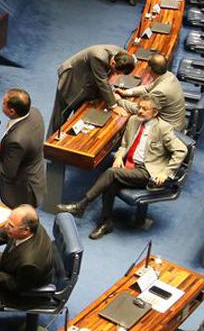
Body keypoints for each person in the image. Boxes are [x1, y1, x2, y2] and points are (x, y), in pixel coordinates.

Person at [57, 95, 188, 239]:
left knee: (111, 173)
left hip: (147, 171)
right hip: (130, 166)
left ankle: (81, 205)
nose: (140, 111)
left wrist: (166, 172)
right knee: (110, 183)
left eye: (145, 109)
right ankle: (105, 223)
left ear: (155, 112)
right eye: (139, 107)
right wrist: (119, 156)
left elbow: (181, 150)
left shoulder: (163, 128)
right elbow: (124, 145)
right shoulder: (133, 121)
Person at [49, 44, 135, 135]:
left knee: (81, 112)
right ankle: (50, 144)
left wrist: (113, 76)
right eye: (117, 72)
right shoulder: (98, 56)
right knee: (61, 113)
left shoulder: (124, 56)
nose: (117, 74)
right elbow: (102, 82)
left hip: (89, 81)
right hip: (72, 79)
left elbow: (107, 78)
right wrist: (114, 106)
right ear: (113, 63)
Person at [0, 89, 47, 209]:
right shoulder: (35, 112)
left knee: (19, 223)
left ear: (11, 111)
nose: (2, 103)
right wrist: (6, 149)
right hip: (37, 174)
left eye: (3, 103)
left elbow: (8, 173)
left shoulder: (16, 140)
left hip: (22, 192)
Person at [117, 54, 186, 131]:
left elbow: (141, 111)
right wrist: (126, 92)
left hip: (169, 129)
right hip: (178, 121)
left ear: (149, 68)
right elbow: (147, 88)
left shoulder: (160, 91)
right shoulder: (169, 76)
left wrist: (119, 100)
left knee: (132, 121)